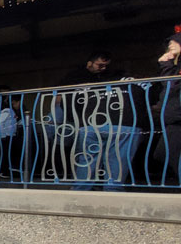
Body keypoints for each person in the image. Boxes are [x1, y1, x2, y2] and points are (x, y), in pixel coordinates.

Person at [58, 50, 141, 191]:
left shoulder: (94, 83)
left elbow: (69, 101)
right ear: (89, 63)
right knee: (117, 162)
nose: (102, 68)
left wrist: (81, 121)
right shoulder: (133, 83)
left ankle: (80, 192)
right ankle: (111, 193)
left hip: (92, 124)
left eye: (105, 66)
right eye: (100, 65)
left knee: (87, 160)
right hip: (122, 124)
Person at [154, 29, 181, 184]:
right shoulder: (174, 66)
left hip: (178, 118)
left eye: (175, 41)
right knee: (162, 153)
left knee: (168, 152)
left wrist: (165, 64)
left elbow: (171, 85)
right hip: (172, 118)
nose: (170, 44)